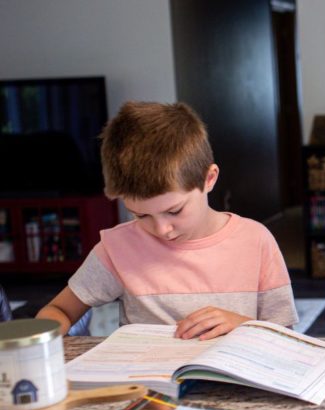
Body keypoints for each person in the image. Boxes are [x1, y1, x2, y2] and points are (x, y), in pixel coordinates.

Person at [37, 101, 297, 340]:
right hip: (145, 385)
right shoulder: (116, 248)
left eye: (174, 211)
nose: (161, 229)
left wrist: (243, 325)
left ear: (209, 179)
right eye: (141, 215)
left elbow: (285, 336)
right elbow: (59, 309)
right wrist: (43, 343)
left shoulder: (255, 241)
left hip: (234, 385)